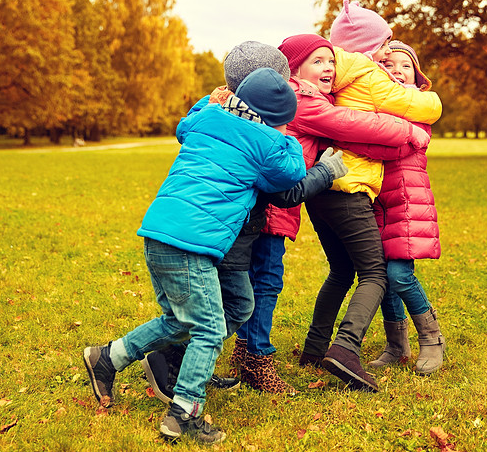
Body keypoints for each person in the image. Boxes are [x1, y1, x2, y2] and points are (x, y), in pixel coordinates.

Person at [82, 66, 307, 445]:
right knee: (208, 328)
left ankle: (108, 357)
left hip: (158, 233)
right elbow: (293, 172)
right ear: (274, 121)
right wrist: (287, 138)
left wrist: (212, 99)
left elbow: (184, 124)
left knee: (185, 317)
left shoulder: (207, 119)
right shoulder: (267, 144)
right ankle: (184, 411)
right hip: (191, 244)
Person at [140, 41, 348, 400]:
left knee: (228, 300)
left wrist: (209, 100)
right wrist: (323, 167)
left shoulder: (220, 112)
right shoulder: (271, 118)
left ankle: (187, 361)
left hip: (219, 225)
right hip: (241, 225)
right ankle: (200, 366)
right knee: (247, 292)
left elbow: (186, 126)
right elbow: (286, 186)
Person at [276, 26, 440, 392]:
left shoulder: (324, 91)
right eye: (317, 60)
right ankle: (346, 349)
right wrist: (411, 132)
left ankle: (315, 348)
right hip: (345, 189)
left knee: (341, 269)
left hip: (322, 188)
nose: (327, 67)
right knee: (376, 274)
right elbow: (354, 125)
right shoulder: (309, 97)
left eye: (329, 59)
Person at [346, 40, 446, 374]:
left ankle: (432, 338)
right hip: (375, 200)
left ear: (418, 80)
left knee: (399, 274)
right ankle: (396, 344)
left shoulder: (416, 109)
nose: (397, 71)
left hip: (407, 200)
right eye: (388, 66)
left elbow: (392, 144)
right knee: (380, 274)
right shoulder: (376, 105)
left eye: (405, 66)